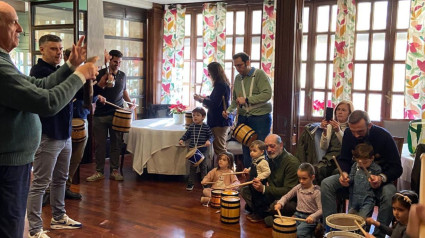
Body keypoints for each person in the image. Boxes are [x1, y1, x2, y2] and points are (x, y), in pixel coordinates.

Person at [0, 2, 98, 237]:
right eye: (14, 21)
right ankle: (35, 230)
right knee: (10, 226)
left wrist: (71, 67)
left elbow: (39, 86)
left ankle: (57, 217)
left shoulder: (5, 61)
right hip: (8, 165)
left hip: (16, 159)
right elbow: (47, 102)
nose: (20, 29)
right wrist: (80, 74)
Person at [27, 34, 83, 237]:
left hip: (64, 134)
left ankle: (58, 218)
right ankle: (34, 230)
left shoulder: (59, 71)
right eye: (53, 49)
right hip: (48, 136)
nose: (59, 52)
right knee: (40, 183)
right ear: (41, 50)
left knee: (60, 179)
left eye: (60, 49)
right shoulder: (39, 72)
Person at [321, 110, 403, 238]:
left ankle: (377, 235)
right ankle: (331, 230)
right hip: (355, 178)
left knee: (389, 193)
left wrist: (381, 178)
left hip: (380, 182)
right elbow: (344, 160)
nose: (356, 135)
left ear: (369, 126)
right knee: (326, 184)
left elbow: (397, 168)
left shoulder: (384, 136)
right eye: (352, 131)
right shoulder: (348, 134)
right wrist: (344, 173)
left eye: (360, 131)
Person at [86, 49, 135, 182]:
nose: (117, 64)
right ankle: (99, 171)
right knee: (100, 145)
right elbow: (92, 92)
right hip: (100, 115)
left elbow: (124, 91)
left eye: (119, 62)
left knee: (116, 144)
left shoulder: (123, 75)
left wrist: (130, 103)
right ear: (109, 60)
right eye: (114, 62)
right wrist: (100, 89)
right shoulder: (100, 73)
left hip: (117, 114)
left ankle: (114, 170)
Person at [222, 52, 272, 168]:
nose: (238, 69)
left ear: (248, 62)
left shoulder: (259, 74)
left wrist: (248, 100)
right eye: (236, 66)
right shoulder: (238, 78)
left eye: (240, 65)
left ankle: (261, 179)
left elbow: (267, 94)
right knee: (246, 149)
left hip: (260, 117)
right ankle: (249, 177)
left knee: (260, 149)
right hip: (244, 117)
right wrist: (229, 111)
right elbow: (236, 99)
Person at [241, 134, 300, 224]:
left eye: (272, 146)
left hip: (285, 199)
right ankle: (265, 212)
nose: (268, 150)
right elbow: (262, 177)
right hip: (270, 194)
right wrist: (250, 175)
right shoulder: (269, 159)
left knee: (277, 206)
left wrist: (264, 189)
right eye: (266, 147)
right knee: (244, 190)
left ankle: (264, 213)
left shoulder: (292, 163)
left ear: (281, 145)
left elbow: (289, 191)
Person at [194, 62, 232, 157]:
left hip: (219, 122)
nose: (208, 75)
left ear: (214, 73)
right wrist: (204, 98)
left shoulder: (220, 85)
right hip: (221, 121)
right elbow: (214, 100)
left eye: (209, 73)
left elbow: (214, 104)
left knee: (220, 151)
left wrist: (201, 99)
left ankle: (228, 170)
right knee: (220, 149)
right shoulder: (222, 84)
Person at [274, 163, 322, 238]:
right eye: (299, 178)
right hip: (297, 215)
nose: (301, 181)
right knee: (287, 230)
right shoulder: (298, 187)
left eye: (304, 178)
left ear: (312, 177)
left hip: (309, 219)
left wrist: (313, 217)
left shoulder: (316, 192)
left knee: (298, 234)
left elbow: (321, 210)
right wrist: (280, 203)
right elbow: (287, 196)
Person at [317, 100, 354, 183]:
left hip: (345, 159)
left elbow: (347, 145)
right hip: (330, 159)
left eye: (343, 110)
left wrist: (338, 131)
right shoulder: (330, 126)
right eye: (338, 109)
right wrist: (324, 131)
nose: (340, 112)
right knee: (318, 169)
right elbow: (323, 147)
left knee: (337, 173)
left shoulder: (352, 127)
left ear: (349, 113)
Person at [179, 107, 214, 191]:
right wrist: (181, 139)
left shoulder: (205, 127)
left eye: (198, 115)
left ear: (203, 117)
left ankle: (205, 184)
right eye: (193, 115)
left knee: (203, 167)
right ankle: (190, 184)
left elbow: (212, 136)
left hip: (202, 151)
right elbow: (186, 135)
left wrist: (209, 141)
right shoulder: (191, 126)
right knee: (192, 168)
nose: (195, 117)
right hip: (193, 151)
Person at [345, 143, 381, 218]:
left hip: (367, 199)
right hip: (354, 198)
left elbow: (377, 186)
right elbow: (351, 178)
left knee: (363, 219)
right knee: (350, 219)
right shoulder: (355, 166)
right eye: (359, 162)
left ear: (372, 158)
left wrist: (374, 182)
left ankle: (365, 230)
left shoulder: (376, 169)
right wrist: (347, 179)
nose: (361, 165)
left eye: (365, 162)